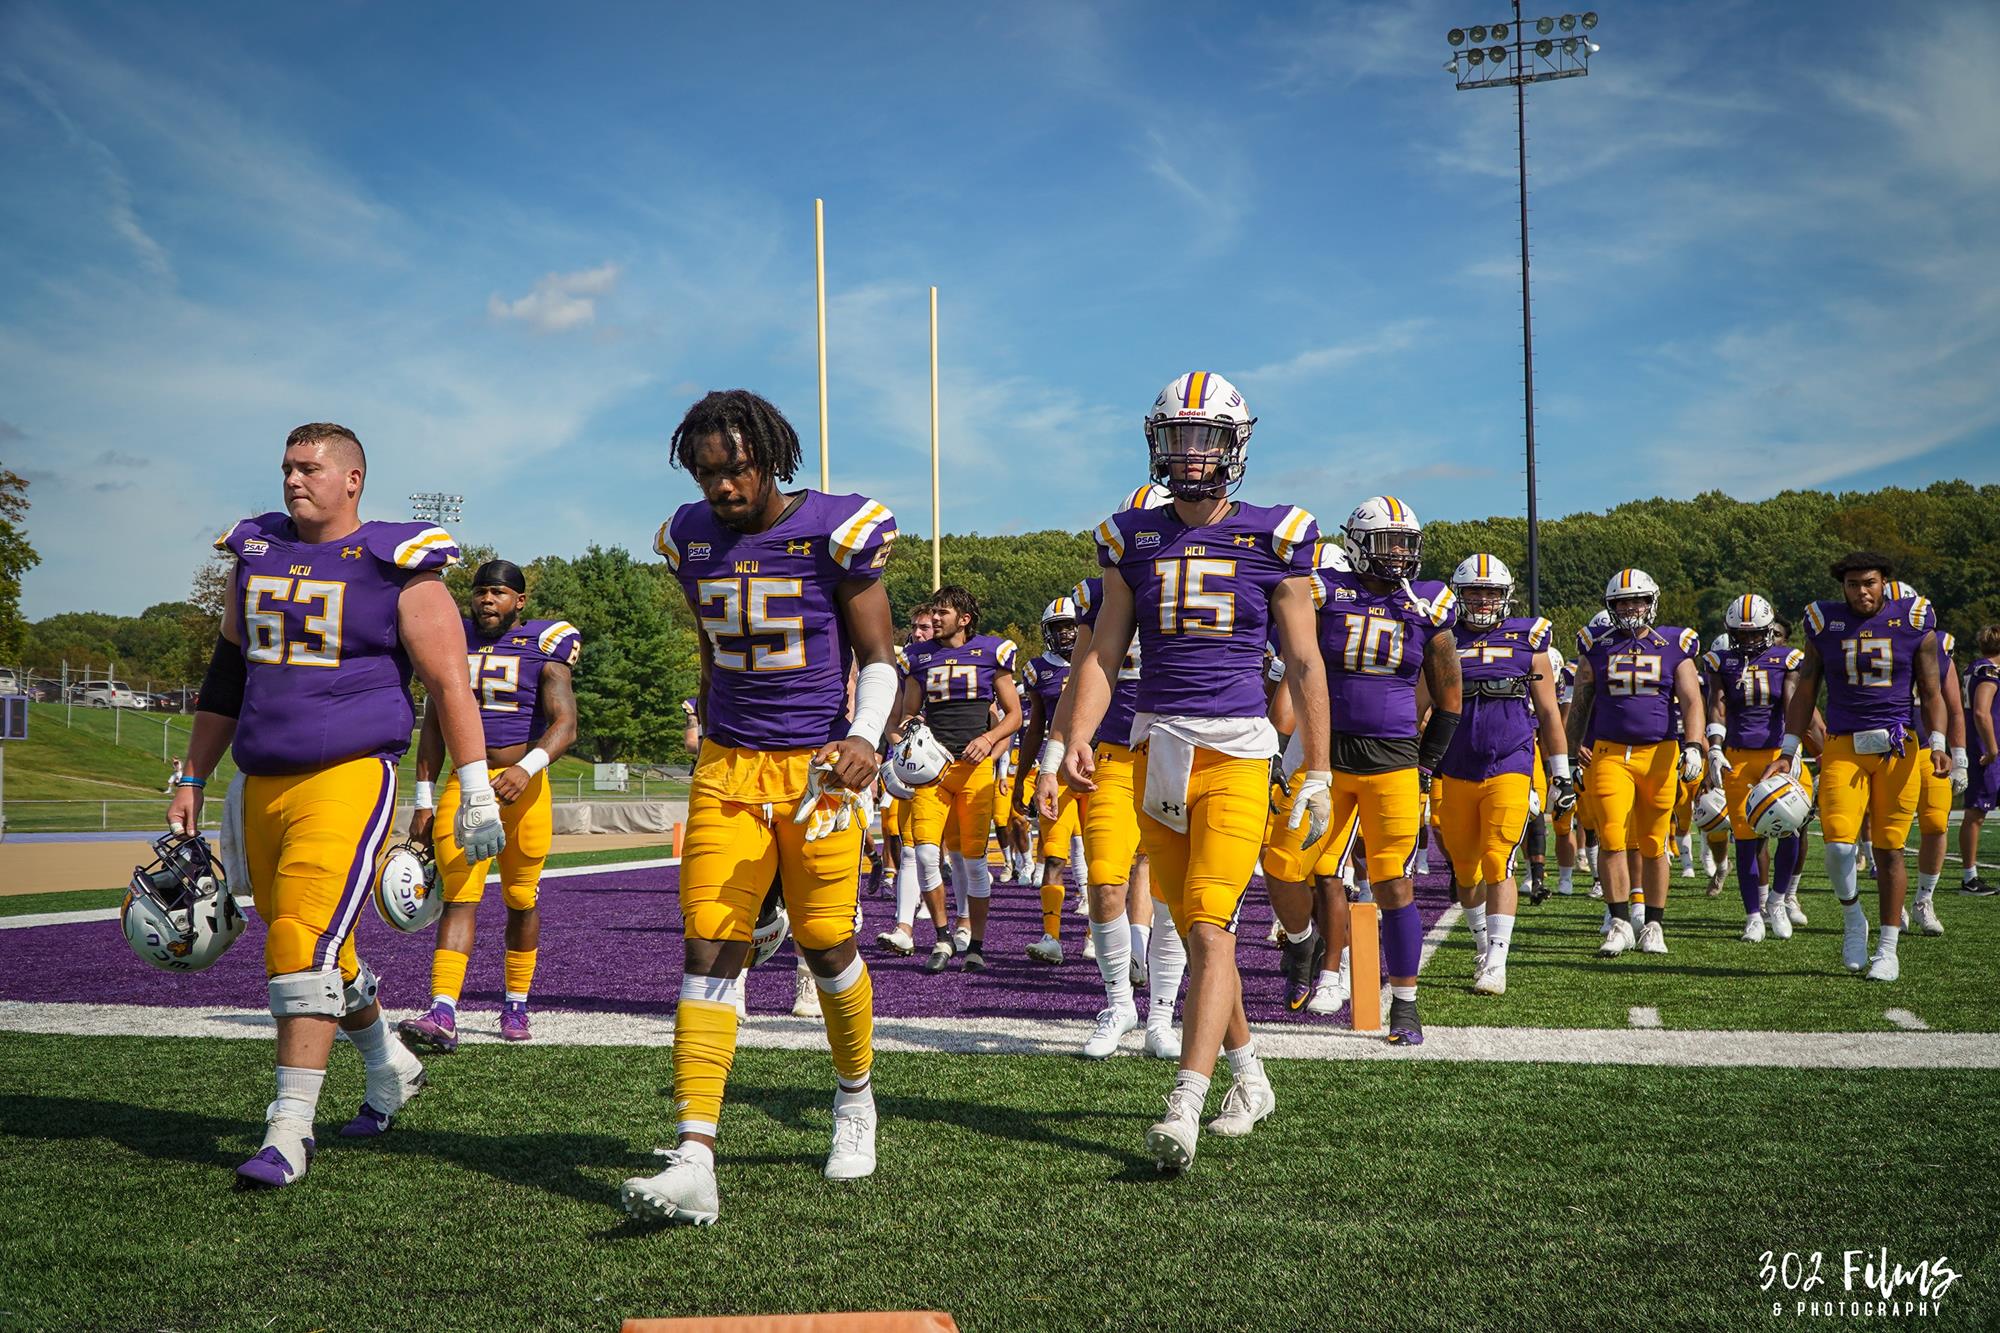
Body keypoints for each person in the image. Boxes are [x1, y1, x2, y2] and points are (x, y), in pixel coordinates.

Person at [167, 422, 496, 1188]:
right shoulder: (252, 552)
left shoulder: (397, 564)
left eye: (309, 467)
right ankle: (390, 1065)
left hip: (348, 773)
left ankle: (289, 1131)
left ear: (353, 479)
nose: (292, 479)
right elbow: (225, 678)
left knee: (299, 940)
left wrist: (472, 787)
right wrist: (192, 775)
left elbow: (451, 685)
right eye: (286, 466)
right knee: (325, 953)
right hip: (261, 780)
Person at [621, 390, 897, 1226]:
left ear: (770, 458)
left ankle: (855, 1096)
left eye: (735, 469)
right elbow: (710, 649)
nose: (722, 488)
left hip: (816, 770)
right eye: (707, 473)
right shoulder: (689, 537)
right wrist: (707, 729)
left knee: (826, 941)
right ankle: (695, 1150)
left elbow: (880, 655)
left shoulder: (833, 531)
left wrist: (864, 737)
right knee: (708, 941)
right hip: (727, 767)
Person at [1062, 371, 1331, 1173]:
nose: (1189, 455)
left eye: (1204, 438)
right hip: (1156, 748)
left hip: (1240, 749)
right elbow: (1106, 652)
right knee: (1189, 921)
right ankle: (1250, 1076)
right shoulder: (1129, 538)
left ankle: (1185, 1098)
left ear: (1233, 446)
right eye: (1176, 438)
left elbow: (1306, 661)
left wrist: (1315, 766)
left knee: (1210, 923)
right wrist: (1075, 736)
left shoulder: (1277, 535)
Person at [1264, 499, 1459, 1041]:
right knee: (1283, 865)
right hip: (1326, 756)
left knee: (1393, 883)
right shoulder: (1325, 590)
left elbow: (1449, 700)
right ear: (1356, 543)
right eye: (1388, 541)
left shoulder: (1428, 604)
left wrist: (1426, 767)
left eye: (1406, 542)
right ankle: (1303, 943)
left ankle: (1405, 1003)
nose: (1399, 553)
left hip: (1392, 761)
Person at [398, 560, 579, 1049]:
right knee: (460, 895)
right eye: (480, 592)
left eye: (498, 593)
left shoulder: (544, 645)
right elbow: (433, 727)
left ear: (519, 601)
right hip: (467, 782)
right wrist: (422, 798)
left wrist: (529, 767)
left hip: (526, 786)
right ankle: (443, 1010)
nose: (486, 600)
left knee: (521, 899)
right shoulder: (450, 641)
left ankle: (516, 1003)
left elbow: (566, 723)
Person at [1761, 553, 1948, 982]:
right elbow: (1806, 688)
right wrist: (1788, 749)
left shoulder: (1915, 621)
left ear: (1885, 582)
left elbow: (1932, 690)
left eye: (1868, 582)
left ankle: (1887, 948)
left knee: (1888, 850)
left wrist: (1939, 743)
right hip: (1843, 744)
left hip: (1898, 747)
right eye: (1851, 584)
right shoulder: (1824, 624)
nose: (1860, 591)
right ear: (1841, 587)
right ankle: (1852, 919)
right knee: (1839, 846)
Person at [1434, 554, 1570, 997]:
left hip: (1509, 761)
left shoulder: (1528, 638)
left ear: (1505, 595)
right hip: (1455, 766)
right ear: (1460, 594)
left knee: (1498, 859)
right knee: (1465, 869)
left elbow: (1549, 712)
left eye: (1490, 591)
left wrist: (1560, 774)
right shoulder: (1442, 638)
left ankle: (1496, 958)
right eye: (1474, 591)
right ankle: (1480, 942)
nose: (1483, 599)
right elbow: (1421, 706)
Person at [1565, 569, 1708, 957]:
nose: (1631, 608)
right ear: (1611, 606)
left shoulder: (1675, 644)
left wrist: (1694, 745)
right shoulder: (1596, 645)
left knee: (1653, 841)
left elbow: (1692, 699)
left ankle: (1654, 925)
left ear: (1651, 602)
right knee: (1612, 836)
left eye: (1638, 600)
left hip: (1660, 753)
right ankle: (1618, 922)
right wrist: (1568, 751)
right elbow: (1580, 702)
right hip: (1611, 754)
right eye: (1623, 602)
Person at [897, 585, 1022, 974]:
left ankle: (977, 944)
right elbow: (907, 713)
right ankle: (941, 936)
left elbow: (1014, 715)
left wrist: (988, 740)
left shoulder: (990, 652)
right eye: (932, 612)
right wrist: (908, 733)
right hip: (933, 769)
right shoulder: (918, 657)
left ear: (964, 619)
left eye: (943, 613)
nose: (934, 619)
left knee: (974, 861)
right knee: (923, 853)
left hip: (974, 770)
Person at [1701, 595, 1816, 942]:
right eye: (1741, 634)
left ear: (1769, 631)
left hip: (1778, 756)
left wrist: (1792, 748)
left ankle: (1779, 901)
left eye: (1755, 634)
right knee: (1747, 840)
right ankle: (1753, 913)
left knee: (1791, 829)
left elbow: (1795, 703)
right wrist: (1715, 748)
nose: (1748, 641)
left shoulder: (1787, 659)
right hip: (1738, 758)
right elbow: (1717, 706)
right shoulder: (1720, 661)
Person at [1017, 596, 1085, 964]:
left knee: (1107, 858)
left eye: (1071, 625)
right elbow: (1034, 730)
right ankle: (1051, 936)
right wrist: (1019, 781)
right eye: (1058, 627)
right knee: (1054, 856)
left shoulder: (1098, 658)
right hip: (1056, 770)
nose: (1066, 632)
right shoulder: (1038, 669)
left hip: (1100, 763)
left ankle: (1096, 935)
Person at [1961, 626, 2000, 895]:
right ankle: (1969, 877)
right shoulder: (1988, 671)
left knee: (1977, 813)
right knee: (1976, 813)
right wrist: (1993, 748)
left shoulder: (1974, 668)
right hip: (1985, 751)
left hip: (1985, 747)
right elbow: (1981, 712)